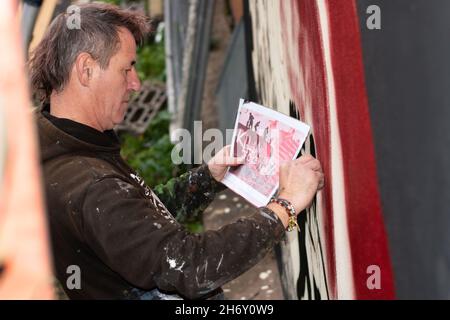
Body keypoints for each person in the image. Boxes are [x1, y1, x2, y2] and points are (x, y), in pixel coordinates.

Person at [29, 3, 324, 300]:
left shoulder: (55, 142)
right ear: (86, 69)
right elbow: (192, 266)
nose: (136, 83)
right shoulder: (93, 187)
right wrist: (286, 205)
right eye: (127, 67)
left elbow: (141, 226)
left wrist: (208, 178)